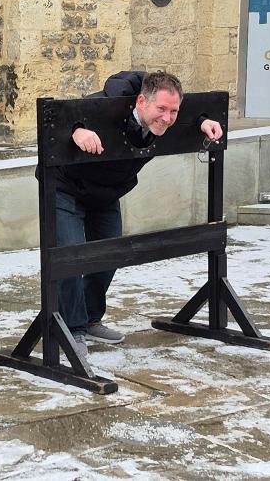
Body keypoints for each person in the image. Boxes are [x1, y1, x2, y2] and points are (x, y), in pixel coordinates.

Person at [51, 71, 224, 360]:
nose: (167, 118)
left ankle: (91, 319)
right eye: (161, 109)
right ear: (141, 101)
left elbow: (187, 114)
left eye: (174, 111)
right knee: (71, 258)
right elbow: (63, 118)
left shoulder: (167, 117)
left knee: (109, 256)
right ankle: (72, 328)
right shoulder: (109, 103)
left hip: (106, 192)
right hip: (66, 186)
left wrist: (201, 121)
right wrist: (77, 131)